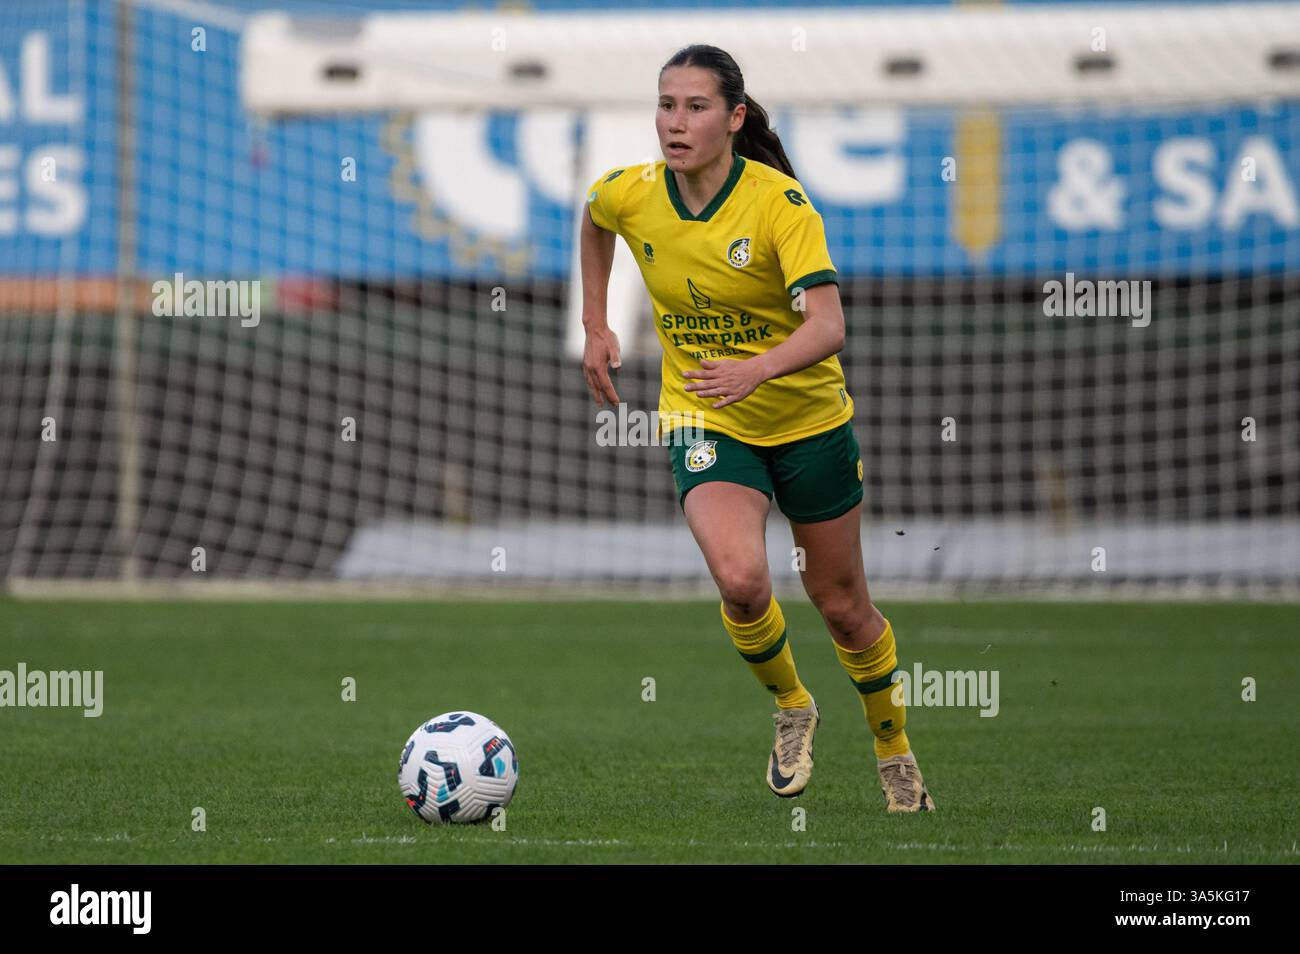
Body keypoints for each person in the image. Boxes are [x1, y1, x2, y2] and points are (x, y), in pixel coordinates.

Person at [578, 44, 934, 812]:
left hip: (807, 421)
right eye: (666, 105)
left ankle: (893, 746)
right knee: (742, 583)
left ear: (735, 118)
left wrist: (755, 369)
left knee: (841, 606)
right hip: (707, 420)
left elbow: (829, 327)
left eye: (696, 107)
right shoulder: (632, 192)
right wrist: (596, 322)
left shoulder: (780, 205)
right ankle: (794, 707)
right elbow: (594, 217)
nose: (676, 123)